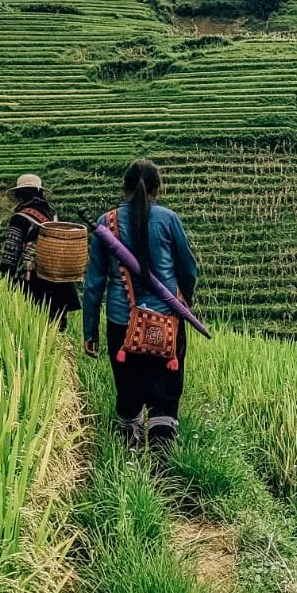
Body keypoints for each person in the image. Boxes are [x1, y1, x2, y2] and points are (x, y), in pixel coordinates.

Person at [83, 158, 198, 450]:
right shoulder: (169, 219)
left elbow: (94, 283)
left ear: (125, 187)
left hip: (123, 324)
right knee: (165, 390)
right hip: (167, 321)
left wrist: (90, 331)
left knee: (128, 388)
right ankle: (162, 456)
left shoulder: (105, 223)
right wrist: (184, 300)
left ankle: (128, 452)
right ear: (157, 189)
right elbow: (188, 270)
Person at [0, 172, 80, 328]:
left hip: (34, 276)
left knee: (34, 317)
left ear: (20, 195)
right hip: (56, 270)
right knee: (55, 317)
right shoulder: (53, 214)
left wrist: (3, 275)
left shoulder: (19, 218)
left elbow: (11, 252)